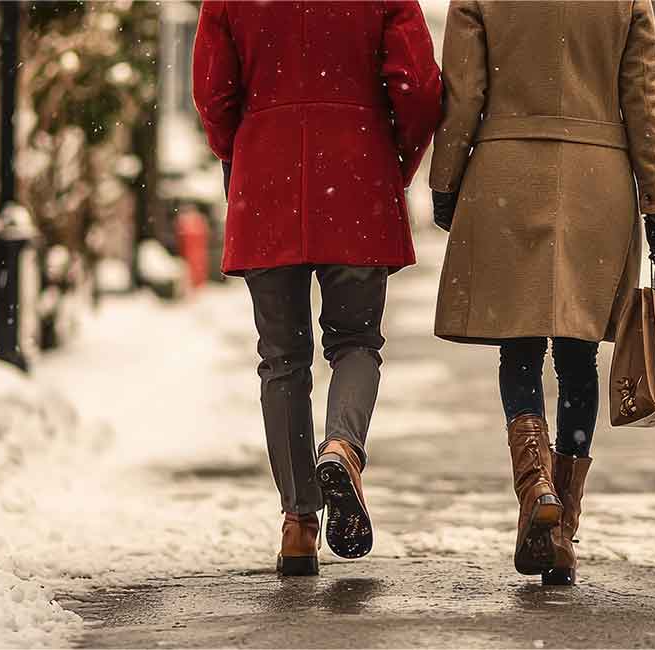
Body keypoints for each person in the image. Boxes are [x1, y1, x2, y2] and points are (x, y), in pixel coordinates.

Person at [427, 0, 655, 586]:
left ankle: (534, 488)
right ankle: (563, 528)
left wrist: (445, 178)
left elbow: (462, 93)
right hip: (599, 183)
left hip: (505, 174)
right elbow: (644, 101)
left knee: (518, 347)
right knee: (577, 355)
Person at [192, 0, 442, 577]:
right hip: (356, 169)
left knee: (281, 360)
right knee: (356, 341)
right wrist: (394, 155)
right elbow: (418, 87)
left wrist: (245, 148)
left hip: (267, 173)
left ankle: (298, 523)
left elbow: (214, 94)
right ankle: (341, 448)